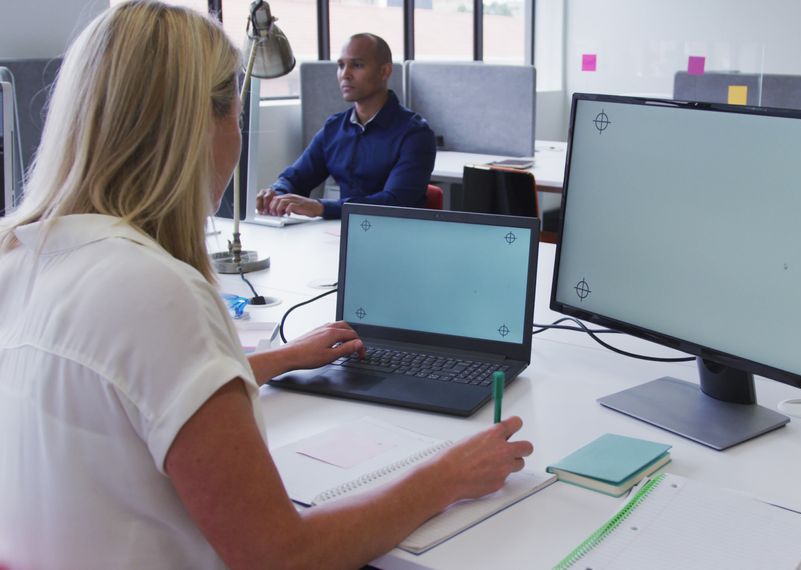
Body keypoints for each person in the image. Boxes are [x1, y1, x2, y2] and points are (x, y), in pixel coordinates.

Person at [0, 3, 532, 568]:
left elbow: (135, 388)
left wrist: (280, 359)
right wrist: (444, 478)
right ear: (200, 125)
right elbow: (280, 555)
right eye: (235, 113)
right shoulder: (155, 293)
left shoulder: (17, 255)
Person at [256, 33, 437, 220]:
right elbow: (296, 177)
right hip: (340, 234)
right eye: (341, 65)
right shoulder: (334, 128)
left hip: (395, 235)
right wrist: (277, 192)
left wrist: (321, 207)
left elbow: (395, 202)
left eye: (357, 65)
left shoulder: (415, 134)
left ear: (384, 71)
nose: (345, 74)